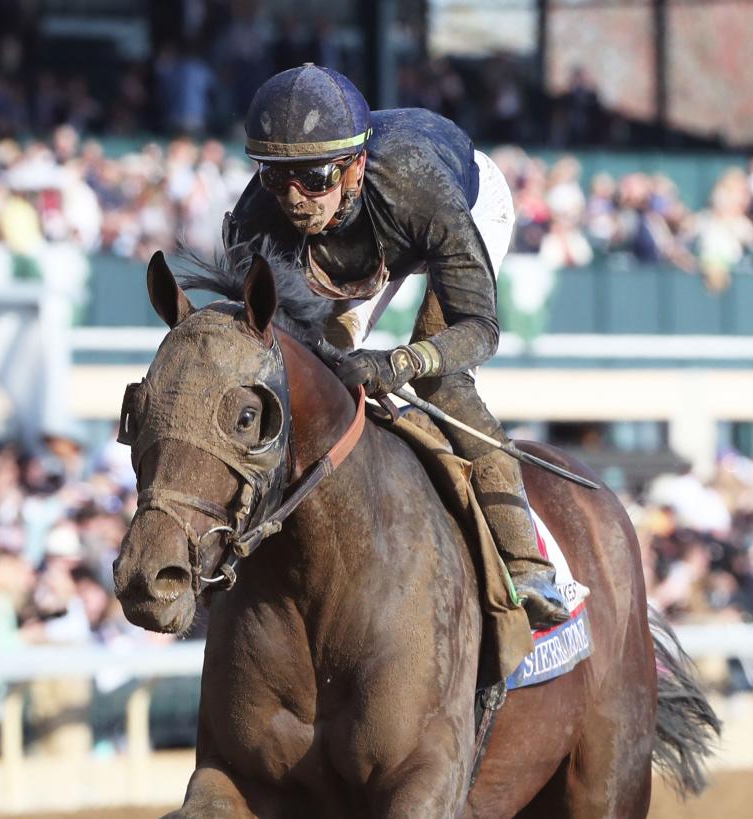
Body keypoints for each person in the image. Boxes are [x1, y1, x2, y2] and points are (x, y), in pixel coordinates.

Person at [223, 64, 569, 628]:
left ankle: (526, 562)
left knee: (440, 379)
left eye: (312, 177)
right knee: (315, 358)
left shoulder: (418, 188)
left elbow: (480, 330)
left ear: (354, 166)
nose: (293, 199)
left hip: (459, 200)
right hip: (363, 236)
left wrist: (400, 362)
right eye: (275, 176)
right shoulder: (256, 220)